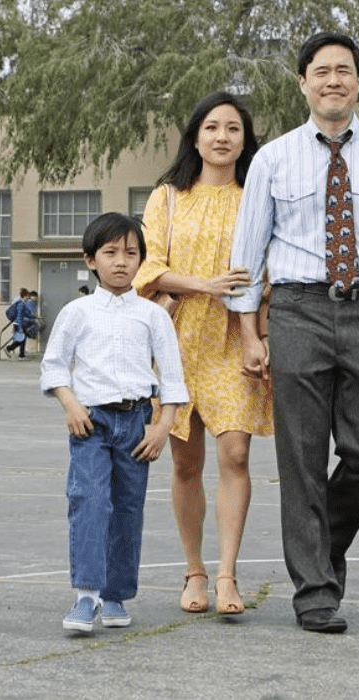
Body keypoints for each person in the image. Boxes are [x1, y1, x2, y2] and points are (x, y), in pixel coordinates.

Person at [226, 32, 359, 633]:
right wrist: (248, 333)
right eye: (322, 71)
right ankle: (315, 590)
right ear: (303, 82)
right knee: (301, 456)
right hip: (296, 312)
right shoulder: (273, 159)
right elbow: (249, 252)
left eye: (344, 70)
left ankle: (325, 546)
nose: (333, 80)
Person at [133, 91, 273, 616]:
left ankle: (227, 575)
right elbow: (150, 268)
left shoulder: (257, 195)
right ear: (195, 135)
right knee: (185, 462)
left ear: (245, 139)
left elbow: (267, 273)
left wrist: (259, 330)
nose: (222, 137)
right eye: (211, 127)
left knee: (235, 452)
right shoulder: (168, 196)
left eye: (233, 128)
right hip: (177, 337)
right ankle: (193, 570)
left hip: (236, 338)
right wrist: (206, 285)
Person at [41, 212, 188, 633]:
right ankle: (85, 596)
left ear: (142, 260)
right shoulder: (76, 312)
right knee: (89, 501)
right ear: (91, 260)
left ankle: (115, 595)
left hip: (137, 423)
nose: (121, 261)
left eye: (131, 253)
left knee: (127, 509)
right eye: (110, 253)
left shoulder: (153, 315)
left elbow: (174, 377)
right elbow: (53, 368)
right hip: (91, 423)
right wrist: (71, 406)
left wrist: (162, 427)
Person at [4, 288, 30, 359]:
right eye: (28, 296)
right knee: (22, 339)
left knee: (22, 339)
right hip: (19, 324)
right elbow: (19, 315)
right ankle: (9, 348)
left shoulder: (19, 302)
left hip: (19, 323)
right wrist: (20, 328)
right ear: (24, 295)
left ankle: (21, 354)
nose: (28, 297)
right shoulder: (20, 303)